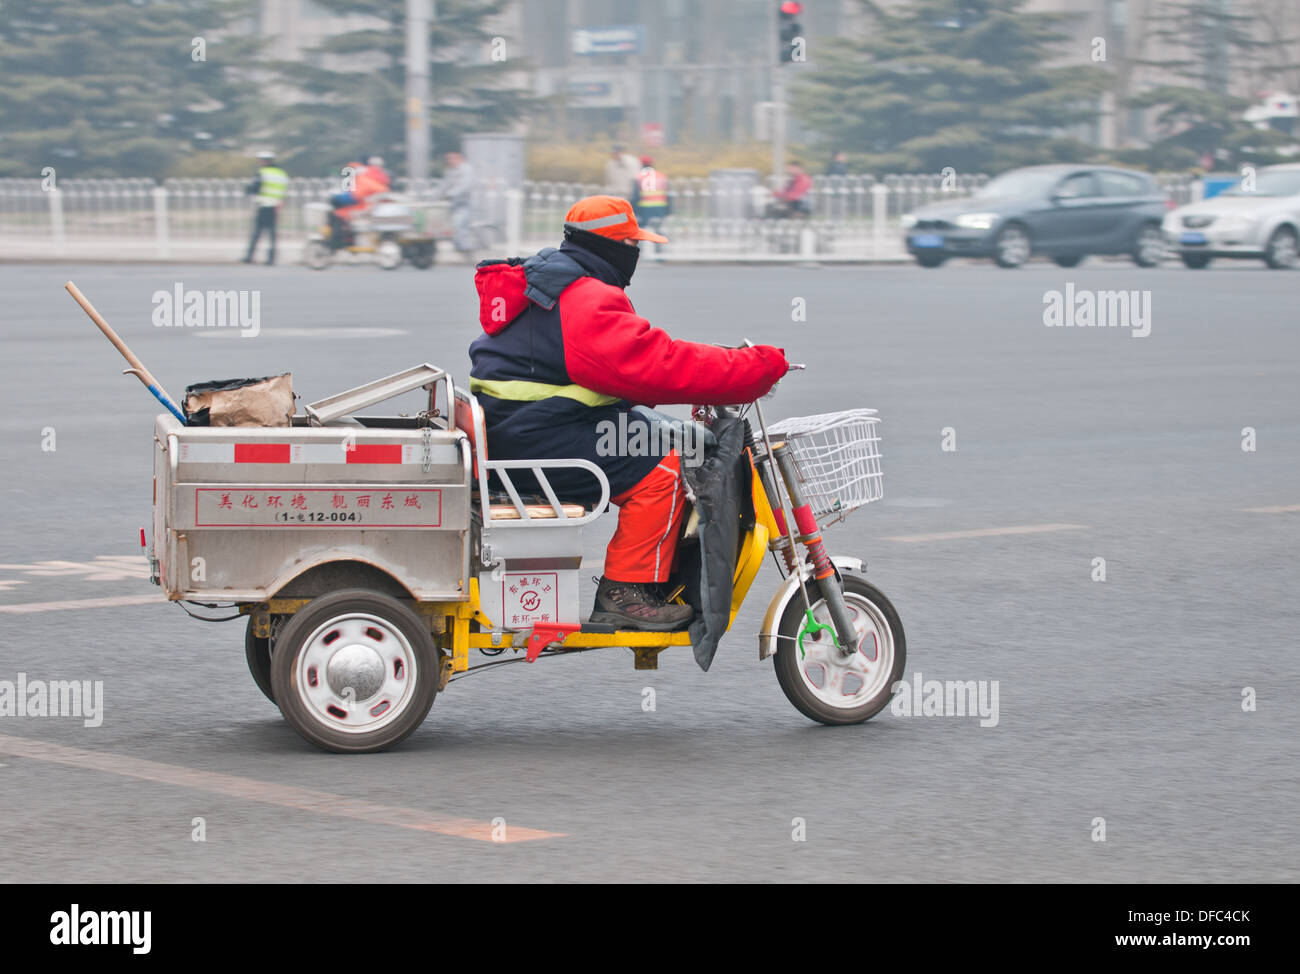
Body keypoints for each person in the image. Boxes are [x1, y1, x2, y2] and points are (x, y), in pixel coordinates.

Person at [468, 196, 788, 631]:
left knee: (664, 435)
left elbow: (645, 355)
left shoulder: (547, 283)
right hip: (538, 435)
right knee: (668, 467)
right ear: (616, 246)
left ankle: (648, 579)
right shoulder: (586, 299)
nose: (635, 255)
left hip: (523, 426)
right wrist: (756, 368)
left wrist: (724, 360)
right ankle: (625, 592)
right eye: (632, 244)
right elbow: (657, 368)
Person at [328, 158, 391, 250]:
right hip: (367, 206)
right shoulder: (374, 176)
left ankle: (337, 241)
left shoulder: (362, 180)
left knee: (336, 214)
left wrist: (337, 199)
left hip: (362, 207)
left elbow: (355, 196)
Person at [243, 151, 288, 264]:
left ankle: (249, 256)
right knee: (272, 234)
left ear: (264, 161)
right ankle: (271, 258)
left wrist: (248, 190)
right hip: (275, 206)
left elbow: (255, 187)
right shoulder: (281, 173)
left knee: (257, 232)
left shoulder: (263, 173)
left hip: (264, 205)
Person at [437, 150, 477, 257]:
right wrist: (435, 195)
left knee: (459, 224)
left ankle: (465, 249)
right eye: (448, 159)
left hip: (464, 203)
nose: (450, 161)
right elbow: (444, 185)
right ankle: (461, 247)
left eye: (452, 158)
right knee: (454, 225)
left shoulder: (466, 169)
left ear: (459, 157)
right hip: (453, 204)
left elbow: (464, 185)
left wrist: (451, 194)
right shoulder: (450, 170)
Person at [630, 155, 670, 250]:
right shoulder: (661, 176)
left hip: (644, 208)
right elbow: (668, 195)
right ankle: (659, 251)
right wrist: (668, 210)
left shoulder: (638, 178)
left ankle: (638, 251)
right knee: (658, 230)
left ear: (641, 165)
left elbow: (636, 196)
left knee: (639, 231)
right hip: (660, 208)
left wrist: (633, 211)